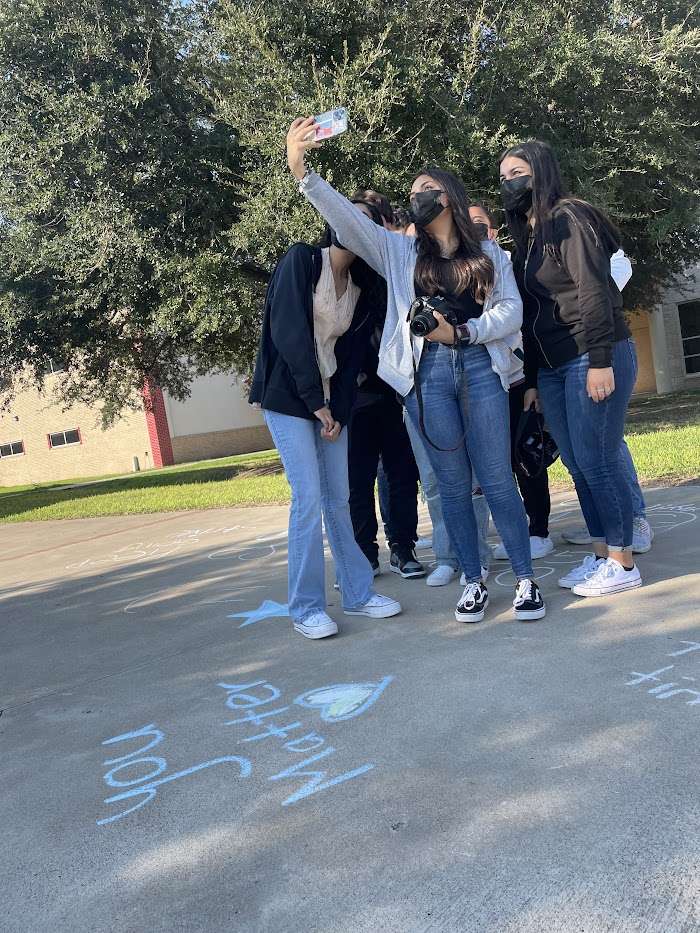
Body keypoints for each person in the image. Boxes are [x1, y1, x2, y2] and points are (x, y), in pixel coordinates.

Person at [287, 116, 546, 623]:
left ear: (449, 197)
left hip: (480, 369)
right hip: (425, 379)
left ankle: (524, 580)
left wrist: (464, 332)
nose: (417, 197)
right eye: (412, 192)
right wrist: (304, 173)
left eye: (427, 189)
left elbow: (511, 311)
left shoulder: (491, 253)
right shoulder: (400, 251)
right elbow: (350, 221)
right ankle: (473, 580)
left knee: (495, 479)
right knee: (450, 485)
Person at [248, 197, 402, 639]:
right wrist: (316, 402)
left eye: (362, 220)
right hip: (288, 399)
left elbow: (352, 360)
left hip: (332, 403)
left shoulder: (362, 287)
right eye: (343, 214)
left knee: (341, 497)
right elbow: (290, 336)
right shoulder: (301, 261)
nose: (348, 223)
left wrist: (338, 410)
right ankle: (306, 608)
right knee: (309, 499)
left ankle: (357, 592)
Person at [499, 139, 642, 597]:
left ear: (541, 172)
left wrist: (600, 361)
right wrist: (536, 379)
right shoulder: (529, 233)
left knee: (598, 460)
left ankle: (623, 562)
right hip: (556, 367)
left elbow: (594, 292)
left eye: (517, 173)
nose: (510, 184)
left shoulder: (568, 218)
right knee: (579, 463)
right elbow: (535, 315)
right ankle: (602, 552)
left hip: (592, 354)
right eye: (503, 178)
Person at [469, 203, 554, 560]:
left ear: (492, 231)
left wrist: (532, 378)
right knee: (495, 461)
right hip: (479, 381)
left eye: (480, 225)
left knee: (526, 455)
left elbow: (525, 324)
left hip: (516, 376)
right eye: (467, 225)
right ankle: (512, 529)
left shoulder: (507, 266)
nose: (474, 232)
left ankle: (539, 530)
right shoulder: (453, 270)